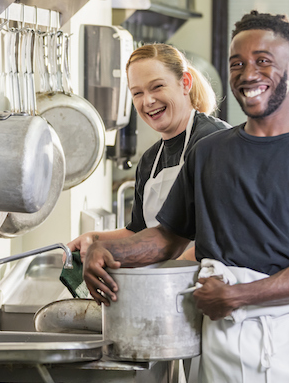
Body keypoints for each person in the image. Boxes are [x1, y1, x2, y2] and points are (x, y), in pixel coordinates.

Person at [83, 11, 289, 383]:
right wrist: (108, 251)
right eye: (238, 63)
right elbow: (167, 239)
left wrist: (239, 296)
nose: (248, 74)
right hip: (224, 342)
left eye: (263, 61)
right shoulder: (209, 152)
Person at [67, 43, 229, 259]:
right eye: (137, 93)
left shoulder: (215, 141)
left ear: (185, 83)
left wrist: (171, 274)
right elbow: (139, 232)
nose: (148, 101)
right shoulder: (150, 161)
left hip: (210, 282)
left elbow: (227, 234)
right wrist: (94, 239)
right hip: (162, 282)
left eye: (157, 86)